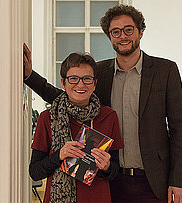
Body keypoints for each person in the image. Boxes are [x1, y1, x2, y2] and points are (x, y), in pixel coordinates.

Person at [24, 4, 182, 203]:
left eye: (129, 29)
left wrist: (178, 180)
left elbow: (179, 128)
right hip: (110, 179)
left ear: (141, 32)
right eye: (115, 32)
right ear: (109, 37)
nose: (123, 36)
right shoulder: (99, 72)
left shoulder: (165, 70)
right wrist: (30, 76)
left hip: (153, 179)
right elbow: (69, 96)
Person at [29, 52, 124, 203]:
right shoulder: (47, 118)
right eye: (73, 78)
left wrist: (107, 167)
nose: (80, 85)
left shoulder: (108, 116)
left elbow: (115, 171)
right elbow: (35, 172)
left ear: (94, 84)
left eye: (87, 79)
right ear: (63, 83)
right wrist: (59, 155)